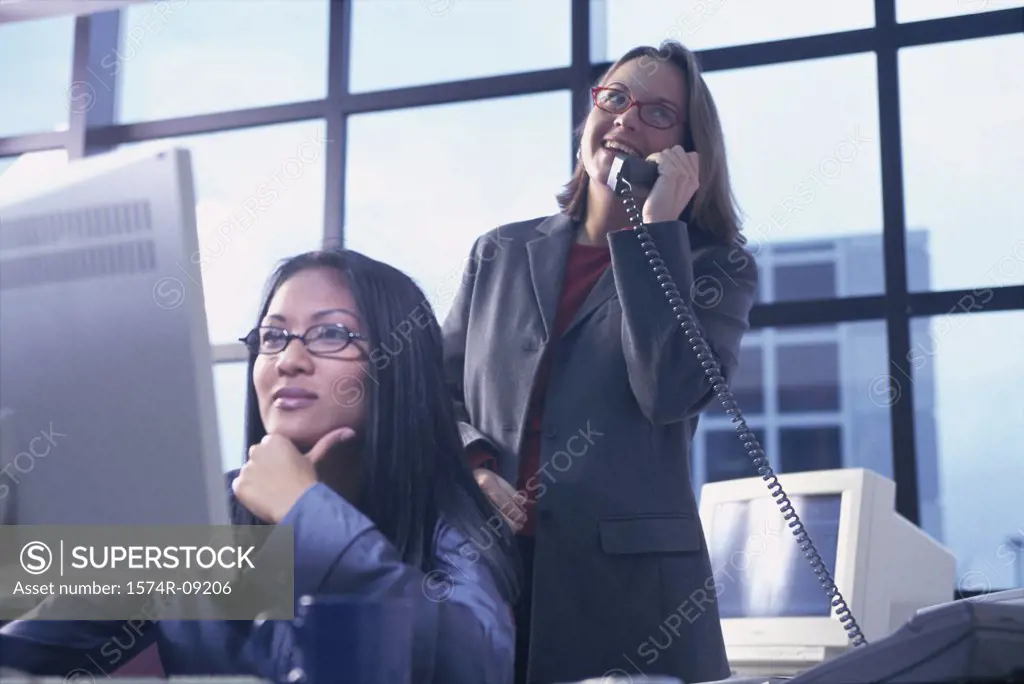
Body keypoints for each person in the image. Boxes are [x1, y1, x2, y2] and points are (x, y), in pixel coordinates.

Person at [1, 249, 520, 684]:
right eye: (272, 337)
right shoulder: (195, 519)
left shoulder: (451, 516)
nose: (288, 360)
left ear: (397, 366)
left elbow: (469, 665)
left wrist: (307, 514)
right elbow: (31, 648)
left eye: (331, 334)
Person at [443, 40, 759, 684]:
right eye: (614, 98)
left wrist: (656, 229)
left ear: (689, 154)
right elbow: (436, 392)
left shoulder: (715, 266)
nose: (626, 119)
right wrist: (474, 467)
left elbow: (668, 390)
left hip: (630, 600)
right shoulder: (500, 252)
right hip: (491, 574)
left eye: (658, 113)